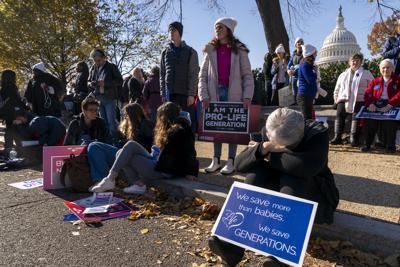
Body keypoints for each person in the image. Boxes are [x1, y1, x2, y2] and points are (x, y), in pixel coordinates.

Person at [208, 108, 339, 267]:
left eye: (285, 146)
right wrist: (264, 148)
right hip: (279, 186)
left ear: (300, 137)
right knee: (256, 174)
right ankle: (232, 247)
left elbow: (305, 167)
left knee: (293, 177)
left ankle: (281, 259)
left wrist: (270, 154)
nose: (277, 145)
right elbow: (239, 165)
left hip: (314, 190)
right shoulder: (273, 127)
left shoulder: (316, 134)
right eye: (273, 141)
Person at [89, 102, 199, 194]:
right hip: (157, 161)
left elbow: (190, 151)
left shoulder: (181, 129)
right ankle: (130, 183)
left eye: (159, 116)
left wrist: (192, 172)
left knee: (125, 152)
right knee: (125, 149)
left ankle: (113, 180)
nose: (158, 120)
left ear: (165, 116)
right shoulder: (171, 128)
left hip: (163, 170)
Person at [198, 17, 254, 175]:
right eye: (216, 27)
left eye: (220, 27)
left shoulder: (239, 49)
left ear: (229, 30)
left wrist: (247, 96)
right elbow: (202, 76)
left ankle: (231, 161)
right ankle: (215, 160)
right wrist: (203, 95)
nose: (217, 30)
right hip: (214, 93)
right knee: (216, 127)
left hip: (234, 93)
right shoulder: (210, 50)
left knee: (232, 127)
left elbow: (247, 75)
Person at [86, 103, 155, 183]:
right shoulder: (127, 127)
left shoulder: (146, 125)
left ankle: (108, 180)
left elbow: (149, 146)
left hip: (136, 157)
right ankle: (101, 180)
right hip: (122, 153)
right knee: (94, 146)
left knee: (125, 147)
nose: (124, 117)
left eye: (126, 115)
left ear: (133, 115)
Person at [160, 21, 199, 131]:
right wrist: (163, 93)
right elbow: (162, 75)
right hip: (169, 95)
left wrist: (191, 94)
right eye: (170, 31)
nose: (171, 33)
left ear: (180, 32)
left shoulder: (191, 52)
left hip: (185, 95)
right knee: (169, 126)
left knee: (186, 126)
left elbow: (193, 74)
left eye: (174, 30)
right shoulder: (165, 52)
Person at [330, 53, 374, 146]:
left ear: (361, 62)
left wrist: (369, 100)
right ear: (349, 62)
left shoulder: (367, 73)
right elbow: (337, 89)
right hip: (343, 99)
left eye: (357, 60)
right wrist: (336, 99)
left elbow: (372, 87)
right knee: (339, 115)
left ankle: (353, 138)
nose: (355, 62)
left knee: (356, 118)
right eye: (353, 60)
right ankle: (337, 137)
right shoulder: (343, 74)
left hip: (359, 100)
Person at [361, 59, 400, 153]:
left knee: (390, 123)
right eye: (383, 68)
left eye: (388, 67)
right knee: (369, 122)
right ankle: (367, 145)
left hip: (391, 105)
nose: (385, 69)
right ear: (380, 69)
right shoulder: (375, 81)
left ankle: (390, 147)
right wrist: (370, 104)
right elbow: (368, 94)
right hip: (376, 105)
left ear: (392, 69)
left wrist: (390, 105)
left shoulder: (398, 81)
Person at [88, 49, 123, 139]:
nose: (96, 62)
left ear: (104, 58)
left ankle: (115, 139)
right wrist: (91, 83)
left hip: (109, 97)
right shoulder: (93, 68)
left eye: (98, 60)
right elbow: (88, 81)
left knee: (111, 120)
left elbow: (120, 81)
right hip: (98, 97)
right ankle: (107, 139)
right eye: (95, 61)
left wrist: (105, 83)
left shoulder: (111, 67)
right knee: (103, 121)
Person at [0, 70, 27, 152]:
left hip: (5, 112)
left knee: (9, 129)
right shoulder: (12, 87)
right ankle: (18, 147)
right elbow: (17, 100)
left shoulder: (3, 87)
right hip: (13, 112)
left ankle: (8, 146)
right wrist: (25, 107)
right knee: (14, 129)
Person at [297, 44, 318, 119]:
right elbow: (310, 80)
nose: (316, 55)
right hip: (304, 96)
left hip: (308, 96)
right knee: (306, 119)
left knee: (309, 118)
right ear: (310, 55)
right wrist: (315, 72)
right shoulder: (304, 65)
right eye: (315, 54)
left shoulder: (308, 66)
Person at [287, 37, 304, 104]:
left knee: (300, 88)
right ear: (295, 45)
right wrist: (288, 70)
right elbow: (289, 65)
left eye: (301, 42)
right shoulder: (293, 56)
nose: (300, 43)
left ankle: (301, 101)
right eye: (298, 42)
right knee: (294, 89)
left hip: (302, 75)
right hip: (294, 75)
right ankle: (294, 101)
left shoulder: (305, 54)